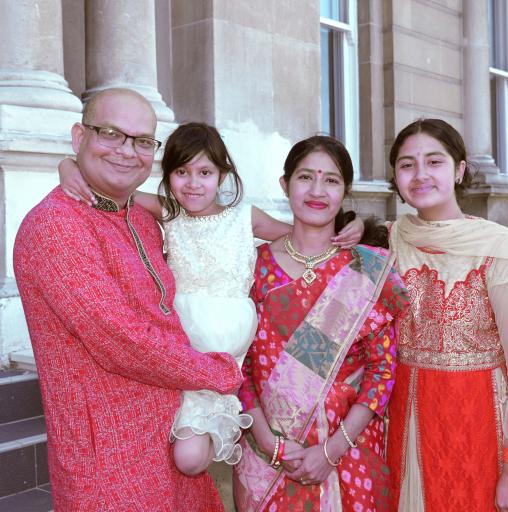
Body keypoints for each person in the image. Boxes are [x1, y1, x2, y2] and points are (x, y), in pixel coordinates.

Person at [58, 122, 364, 479]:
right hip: (180, 352)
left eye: (205, 172)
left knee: (189, 459)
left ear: (222, 176)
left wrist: (354, 223)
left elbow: (305, 237)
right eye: (181, 172)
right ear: (168, 176)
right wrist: (68, 165)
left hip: (227, 356)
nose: (192, 183)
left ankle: (218, 436)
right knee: (185, 458)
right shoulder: (169, 213)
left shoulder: (244, 218)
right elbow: (107, 190)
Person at [13, 89, 244, 511]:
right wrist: (223, 372)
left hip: (171, 443)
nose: (126, 151)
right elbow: (122, 339)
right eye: (111, 134)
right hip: (108, 463)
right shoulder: (55, 226)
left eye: (141, 141)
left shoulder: (142, 218)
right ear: (79, 135)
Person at [385, 119, 508, 511]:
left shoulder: (498, 249)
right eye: (407, 164)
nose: (420, 174)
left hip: (478, 429)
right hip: (404, 424)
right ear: (395, 175)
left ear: (459, 170)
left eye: (434, 161)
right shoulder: (392, 239)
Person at [233, 135, 408, 511]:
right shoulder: (251, 266)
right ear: (285, 184)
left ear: (345, 191)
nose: (317, 190)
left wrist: (331, 451)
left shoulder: (367, 267)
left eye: (331, 180)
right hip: (266, 455)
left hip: (350, 454)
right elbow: (239, 364)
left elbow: (382, 370)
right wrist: (269, 443)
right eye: (305, 177)